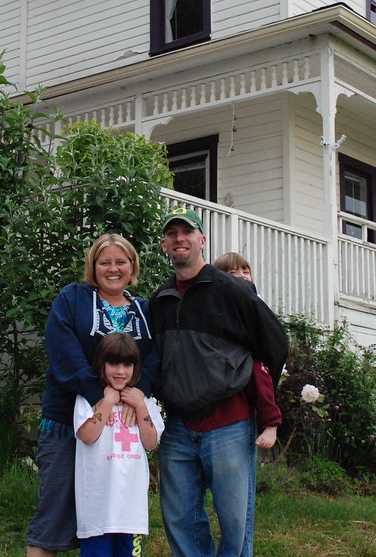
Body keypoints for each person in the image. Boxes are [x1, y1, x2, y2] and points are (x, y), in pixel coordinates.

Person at [152, 207, 289, 557]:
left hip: (229, 424)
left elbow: (274, 344)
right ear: (165, 245)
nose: (179, 239)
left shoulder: (231, 291)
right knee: (181, 519)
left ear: (202, 240)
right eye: (172, 234)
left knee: (234, 523)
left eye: (187, 232)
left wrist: (245, 386)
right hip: (179, 427)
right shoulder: (161, 299)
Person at [26, 233, 159, 557]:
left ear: (132, 266)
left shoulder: (144, 310)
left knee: (114, 516)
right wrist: (101, 397)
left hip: (120, 434)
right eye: (104, 262)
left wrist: (137, 395)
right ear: (93, 266)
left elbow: (156, 357)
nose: (113, 269)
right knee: (54, 515)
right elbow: (63, 354)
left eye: (120, 262)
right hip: (65, 423)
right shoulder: (72, 299)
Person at [74, 331, 164, 557]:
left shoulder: (146, 401)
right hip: (96, 510)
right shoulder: (87, 399)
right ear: (102, 365)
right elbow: (87, 436)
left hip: (131, 512)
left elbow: (151, 442)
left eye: (128, 364)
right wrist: (107, 403)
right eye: (113, 363)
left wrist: (140, 406)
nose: (121, 371)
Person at [211, 252, 281, 452]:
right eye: (233, 272)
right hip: (226, 361)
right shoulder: (216, 301)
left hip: (251, 357)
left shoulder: (254, 299)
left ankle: (270, 424)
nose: (242, 276)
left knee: (259, 375)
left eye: (245, 271)